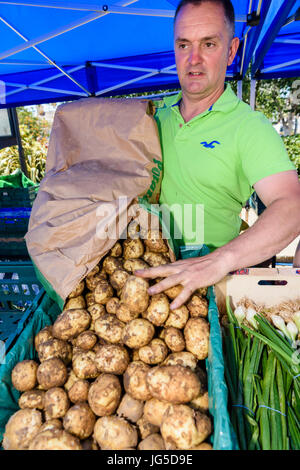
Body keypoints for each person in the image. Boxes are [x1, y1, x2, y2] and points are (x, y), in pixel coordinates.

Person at [136, 0, 300, 309]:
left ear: (231, 51)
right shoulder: (149, 115)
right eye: (184, 45)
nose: (193, 59)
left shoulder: (248, 127)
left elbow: (291, 206)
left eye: (208, 44)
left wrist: (218, 261)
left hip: (207, 299)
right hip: (139, 289)